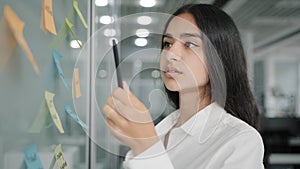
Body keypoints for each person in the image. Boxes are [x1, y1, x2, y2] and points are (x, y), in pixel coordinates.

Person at [102, 3, 264, 169]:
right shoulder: (161, 130)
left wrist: (147, 147)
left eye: (189, 44)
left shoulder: (241, 141)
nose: (171, 54)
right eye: (167, 43)